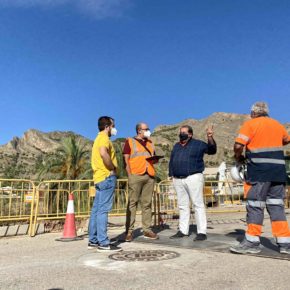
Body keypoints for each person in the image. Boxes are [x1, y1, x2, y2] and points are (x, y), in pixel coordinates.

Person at [230, 102, 290, 255]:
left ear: (253, 113)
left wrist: (238, 156)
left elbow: (238, 145)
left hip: (259, 172)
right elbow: (286, 140)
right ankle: (285, 244)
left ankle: (252, 242)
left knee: (255, 206)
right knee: (277, 207)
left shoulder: (250, 124)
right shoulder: (277, 125)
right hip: (278, 173)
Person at [169, 125, 217, 241]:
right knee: (182, 206)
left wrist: (210, 137)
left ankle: (201, 232)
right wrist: (171, 175)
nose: (181, 134)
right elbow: (171, 160)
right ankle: (183, 230)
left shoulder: (198, 144)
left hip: (193, 177)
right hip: (178, 179)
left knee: (197, 204)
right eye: (180, 132)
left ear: (190, 134)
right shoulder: (176, 146)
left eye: (184, 132)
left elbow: (212, 150)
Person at [88, 116, 122, 252]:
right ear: (107, 127)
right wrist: (112, 168)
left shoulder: (97, 138)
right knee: (103, 210)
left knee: (96, 210)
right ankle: (103, 242)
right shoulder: (104, 138)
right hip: (106, 177)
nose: (114, 129)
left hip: (98, 178)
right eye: (113, 126)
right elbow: (103, 153)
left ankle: (93, 240)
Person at [123, 122, 159, 241]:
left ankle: (147, 230)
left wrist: (154, 160)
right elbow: (126, 159)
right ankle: (129, 231)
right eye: (146, 129)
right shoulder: (130, 141)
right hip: (136, 175)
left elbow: (151, 157)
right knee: (132, 204)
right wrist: (130, 175)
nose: (148, 131)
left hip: (149, 175)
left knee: (147, 204)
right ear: (139, 130)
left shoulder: (150, 142)